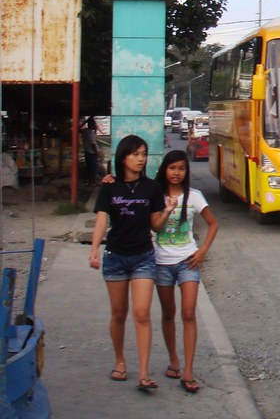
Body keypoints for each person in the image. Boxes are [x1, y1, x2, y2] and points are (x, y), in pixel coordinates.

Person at [89, 135, 178, 392]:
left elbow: (156, 226)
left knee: (142, 313)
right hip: (115, 257)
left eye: (144, 154)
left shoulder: (151, 189)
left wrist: (168, 210)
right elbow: (102, 220)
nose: (141, 159)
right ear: (123, 157)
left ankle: (143, 373)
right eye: (135, 154)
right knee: (119, 314)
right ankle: (120, 361)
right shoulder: (109, 187)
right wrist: (94, 248)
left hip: (143, 257)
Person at [153, 149, 219, 394]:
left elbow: (213, 224)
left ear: (186, 171)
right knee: (168, 312)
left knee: (189, 312)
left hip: (187, 262)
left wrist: (202, 251)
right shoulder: (156, 196)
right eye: (172, 168)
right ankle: (174, 360)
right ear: (165, 170)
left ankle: (188, 370)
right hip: (161, 263)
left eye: (181, 168)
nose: (176, 173)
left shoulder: (194, 196)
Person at [81, 116, 101, 186]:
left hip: (87, 152)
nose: (95, 126)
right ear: (92, 125)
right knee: (93, 168)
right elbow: (93, 143)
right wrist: (96, 152)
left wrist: (86, 122)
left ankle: (90, 182)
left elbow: (78, 129)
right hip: (92, 153)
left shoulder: (85, 131)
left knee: (89, 168)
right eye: (94, 124)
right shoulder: (90, 133)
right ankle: (92, 182)